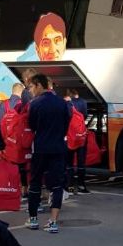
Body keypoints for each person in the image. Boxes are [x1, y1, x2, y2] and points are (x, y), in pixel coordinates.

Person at [26, 73, 72, 233]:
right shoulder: (62, 103)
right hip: (59, 147)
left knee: (36, 182)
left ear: (39, 85)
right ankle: (53, 221)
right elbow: (67, 122)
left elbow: (31, 125)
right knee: (57, 185)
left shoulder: (35, 104)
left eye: (31, 87)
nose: (30, 90)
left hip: (40, 147)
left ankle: (33, 220)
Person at [65, 88, 90, 194]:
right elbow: (85, 116)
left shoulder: (67, 103)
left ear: (69, 95)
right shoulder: (84, 102)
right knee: (81, 162)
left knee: (69, 163)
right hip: (81, 136)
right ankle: (81, 186)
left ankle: (69, 186)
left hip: (70, 136)